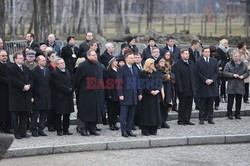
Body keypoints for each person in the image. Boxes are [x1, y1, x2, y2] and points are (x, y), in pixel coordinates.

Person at [75, 50, 105, 136]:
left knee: (95, 112)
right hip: (86, 93)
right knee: (85, 112)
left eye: (95, 55)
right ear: (88, 56)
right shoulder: (82, 66)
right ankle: (83, 128)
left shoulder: (99, 65)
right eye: (93, 55)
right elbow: (78, 80)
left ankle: (92, 128)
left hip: (97, 93)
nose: (95, 56)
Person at [7, 52, 32, 139]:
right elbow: (12, 80)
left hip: (26, 95)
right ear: (15, 59)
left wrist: (29, 85)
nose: (22, 59)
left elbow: (31, 78)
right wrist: (23, 86)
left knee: (25, 115)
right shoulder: (10, 68)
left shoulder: (25, 68)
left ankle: (23, 132)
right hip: (16, 96)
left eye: (22, 58)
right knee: (15, 116)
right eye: (20, 58)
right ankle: (16, 133)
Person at [117, 52, 142, 137]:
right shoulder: (122, 69)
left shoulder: (135, 69)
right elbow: (119, 83)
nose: (133, 59)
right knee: (124, 115)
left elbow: (138, 82)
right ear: (126, 59)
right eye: (131, 58)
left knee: (131, 115)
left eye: (133, 58)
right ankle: (123, 131)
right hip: (125, 94)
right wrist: (120, 94)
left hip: (134, 95)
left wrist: (140, 93)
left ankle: (129, 129)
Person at [196, 47, 219, 125]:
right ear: (202, 53)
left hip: (212, 85)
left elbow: (216, 72)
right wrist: (205, 80)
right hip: (203, 85)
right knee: (202, 104)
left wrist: (212, 80)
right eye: (206, 52)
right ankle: (201, 118)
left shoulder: (214, 61)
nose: (207, 53)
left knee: (210, 103)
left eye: (208, 52)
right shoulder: (198, 62)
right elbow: (198, 73)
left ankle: (210, 118)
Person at [51, 58, 74, 136]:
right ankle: (59, 130)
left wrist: (71, 88)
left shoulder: (67, 71)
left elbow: (71, 81)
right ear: (57, 65)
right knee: (58, 114)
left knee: (67, 114)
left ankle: (66, 129)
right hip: (60, 96)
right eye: (61, 63)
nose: (63, 64)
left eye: (63, 62)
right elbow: (57, 84)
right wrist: (67, 89)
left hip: (68, 96)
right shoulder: (55, 73)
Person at [224, 50, 249, 120]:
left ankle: (237, 113)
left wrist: (243, 76)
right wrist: (232, 75)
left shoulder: (243, 64)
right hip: (231, 84)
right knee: (230, 101)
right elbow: (225, 72)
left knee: (239, 100)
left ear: (240, 57)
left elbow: (247, 73)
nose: (235, 57)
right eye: (234, 56)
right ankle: (229, 113)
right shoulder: (228, 64)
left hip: (240, 84)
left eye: (237, 56)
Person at [30, 56, 51, 137]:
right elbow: (32, 85)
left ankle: (41, 129)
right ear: (38, 61)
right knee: (35, 114)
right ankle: (33, 129)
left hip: (46, 95)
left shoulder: (47, 71)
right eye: (43, 60)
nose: (45, 62)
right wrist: (31, 96)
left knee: (44, 114)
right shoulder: (34, 71)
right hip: (37, 95)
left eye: (45, 60)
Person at [173, 49, 196, 125]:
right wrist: (180, 88)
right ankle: (181, 120)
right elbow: (178, 78)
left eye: (188, 54)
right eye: (186, 54)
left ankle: (187, 119)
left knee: (189, 105)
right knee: (182, 105)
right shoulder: (177, 64)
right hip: (183, 88)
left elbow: (193, 75)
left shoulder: (191, 63)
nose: (187, 55)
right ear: (181, 55)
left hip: (191, 87)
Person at [139, 58, 161, 136]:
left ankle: (153, 129)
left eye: (153, 64)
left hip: (155, 96)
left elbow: (159, 82)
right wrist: (150, 91)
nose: (153, 65)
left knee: (154, 113)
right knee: (147, 113)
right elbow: (142, 84)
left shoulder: (155, 73)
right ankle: (146, 130)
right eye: (151, 64)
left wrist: (158, 90)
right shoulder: (143, 73)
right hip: (147, 96)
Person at [156, 55, 175, 129]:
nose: (163, 62)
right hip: (161, 91)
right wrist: (165, 77)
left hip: (168, 90)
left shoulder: (167, 70)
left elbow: (173, 76)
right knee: (160, 107)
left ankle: (164, 121)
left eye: (164, 61)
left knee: (166, 106)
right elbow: (158, 77)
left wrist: (169, 76)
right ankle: (159, 122)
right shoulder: (156, 70)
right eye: (161, 61)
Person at [104, 57, 120, 131]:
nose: (116, 62)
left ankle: (115, 122)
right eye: (114, 61)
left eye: (116, 61)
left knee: (116, 109)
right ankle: (111, 124)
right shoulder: (108, 71)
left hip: (117, 92)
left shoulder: (118, 70)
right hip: (112, 92)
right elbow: (107, 83)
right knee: (111, 109)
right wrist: (109, 94)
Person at [0, 50, 12, 134]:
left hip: (9, 91)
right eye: (3, 55)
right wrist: (9, 82)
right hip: (1, 90)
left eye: (6, 55)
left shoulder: (10, 65)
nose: (5, 57)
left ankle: (8, 127)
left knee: (8, 109)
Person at [215, 39, 231, 103]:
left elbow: (228, 58)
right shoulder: (219, 50)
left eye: (227, 43)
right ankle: (222, 95)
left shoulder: (226, 50)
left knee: (225, 83)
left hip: (227, 68)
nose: (227, 44)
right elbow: (219, 59)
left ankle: (225, 95)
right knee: (222, 83)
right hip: (222, 68)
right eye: (225, 43)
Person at [210, 45, 221, 110]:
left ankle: (217, 104)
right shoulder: (209, 57)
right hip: (210, 76)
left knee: (216, 91)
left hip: (216, 77)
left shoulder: (217, 57)